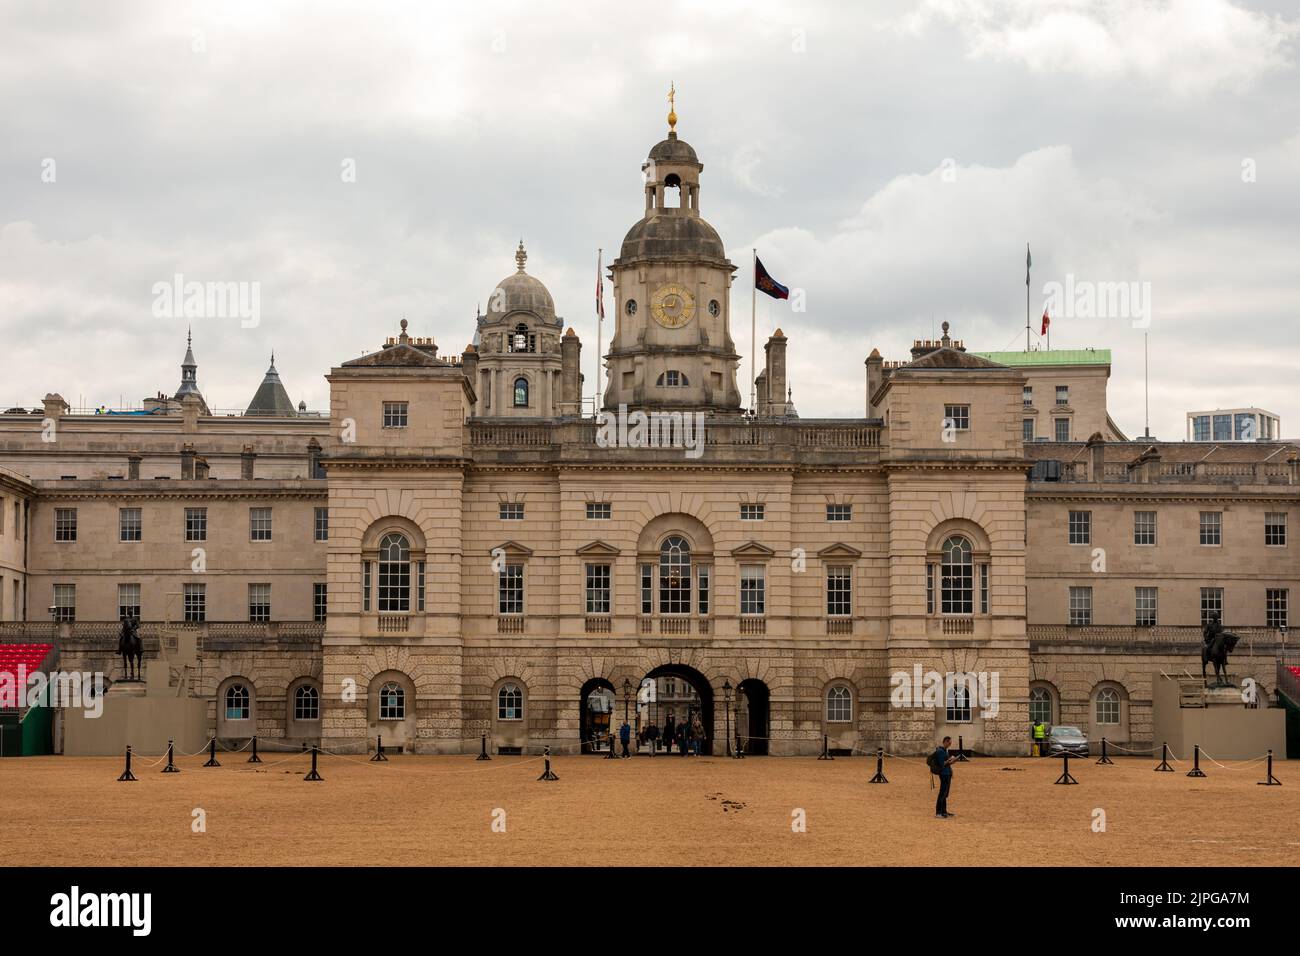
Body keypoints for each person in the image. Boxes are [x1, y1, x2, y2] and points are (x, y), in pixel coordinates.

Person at [932, 736, 959, 818]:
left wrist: (952, 761)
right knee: (942, 793)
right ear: (945, 742)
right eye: (949, 743)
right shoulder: (940, 751)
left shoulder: (944, 751)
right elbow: (942, 764)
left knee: (945, 794)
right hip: (943, 774)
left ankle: (944, 811)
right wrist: (950, 760)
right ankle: (938, 812)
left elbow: (946, 763)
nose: (950, 745)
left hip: (947, 773)